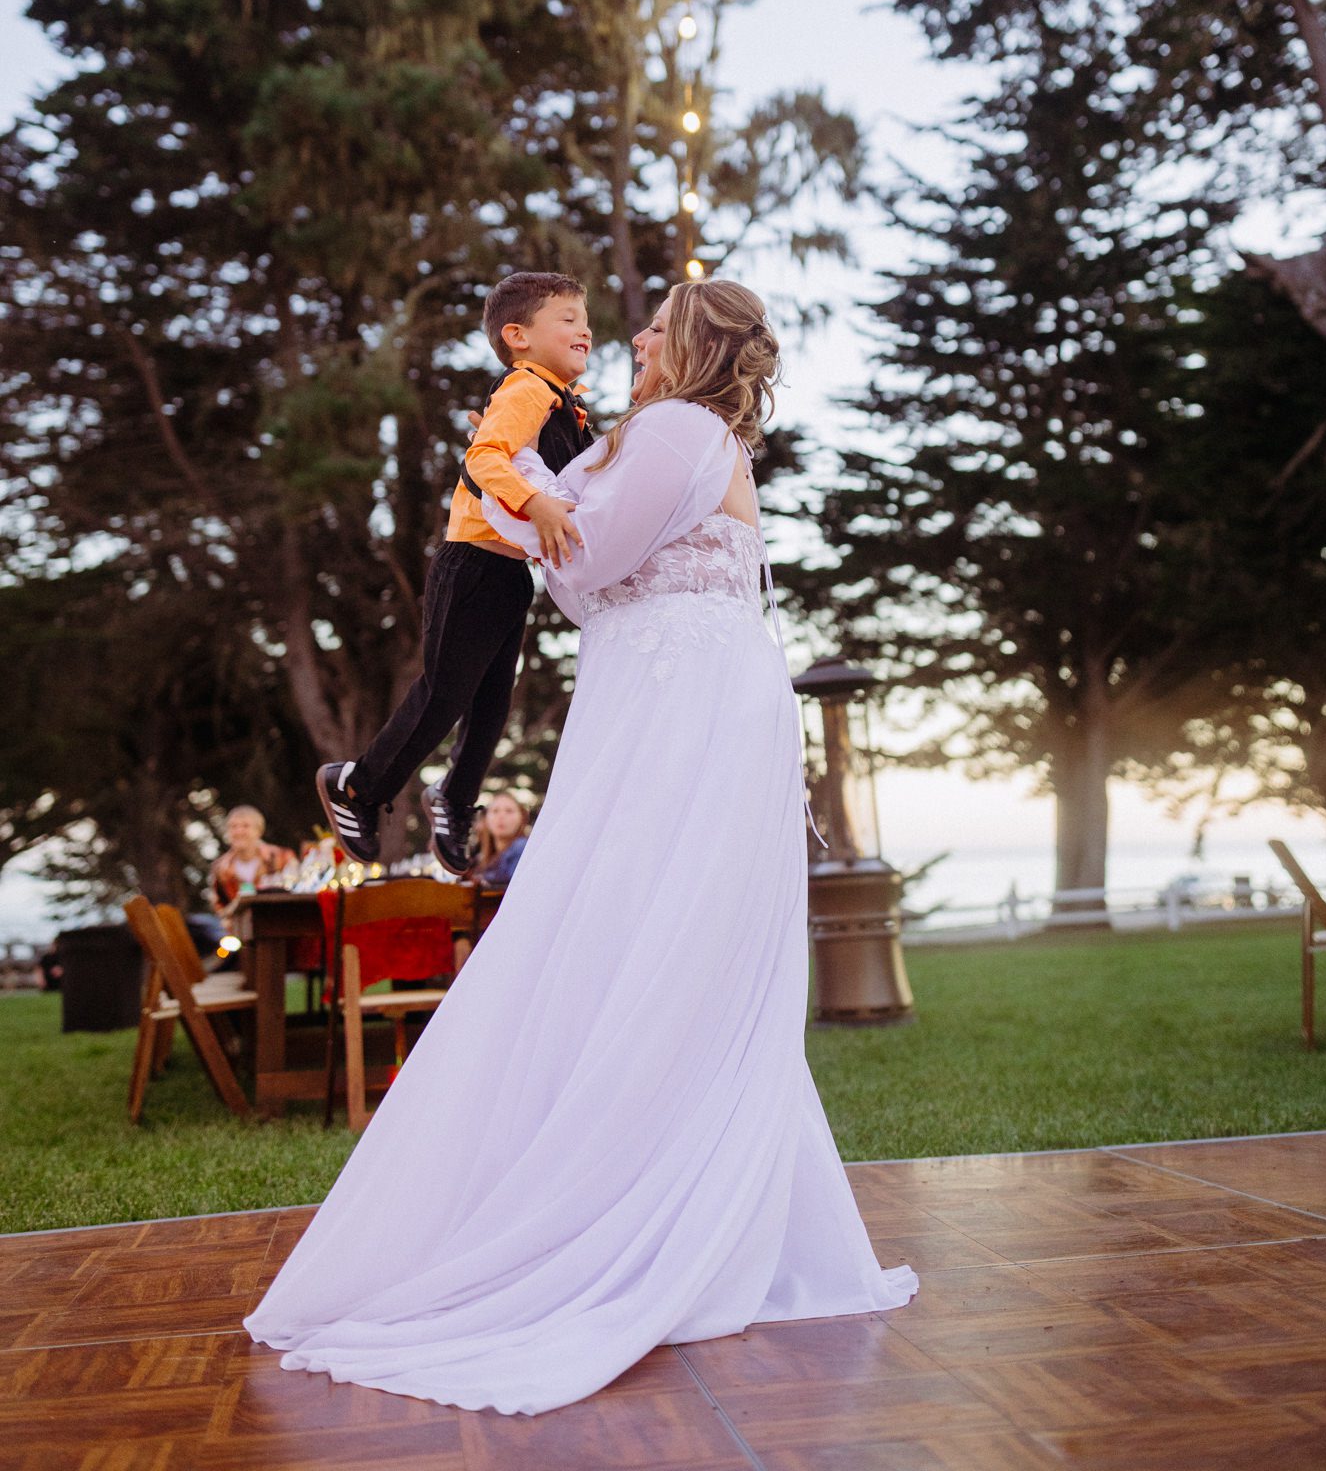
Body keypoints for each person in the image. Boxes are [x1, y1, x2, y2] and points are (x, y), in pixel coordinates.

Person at [246, 278, 918, 1415]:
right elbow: (588, 563)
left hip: (677, 701)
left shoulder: (670, 427)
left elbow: (586, 566)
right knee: (641, 932)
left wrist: (523, 516)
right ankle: (656, 1169)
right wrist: (543, 513)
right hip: (668, 690)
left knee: (626, 927)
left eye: (656, 322)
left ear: (692, 345)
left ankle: (622, 1191)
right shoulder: (672, 433)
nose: (635, 335)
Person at [315, 272, 593, 875]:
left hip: (509, 571)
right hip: (471, 563)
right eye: (567, 318)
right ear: (517, 336)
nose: (584, 329)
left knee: (491, 703)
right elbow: (484, 457)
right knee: (444, 692)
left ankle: (455, 798)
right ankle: (358, 785)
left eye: (584, 318)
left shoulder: (561, 403)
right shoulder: (526, 387)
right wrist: (537, 505)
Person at [206, 806, 296, 917]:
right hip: (242, 929)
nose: (239, 832)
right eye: (233, 827)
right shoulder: (220, 868)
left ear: (259, 831)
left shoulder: (282, 857)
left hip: (282, 920)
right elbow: (219, 909)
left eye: (245, 826)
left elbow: (299, 891)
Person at [472, 790, 530, 888]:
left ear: (522, 818)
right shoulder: (483, 856)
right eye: (495, 811)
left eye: (509, 811)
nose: (501, 816)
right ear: (486, 819)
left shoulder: (522, 847)